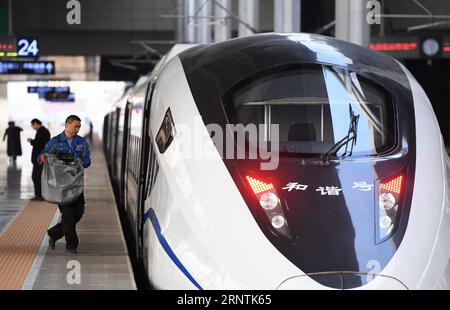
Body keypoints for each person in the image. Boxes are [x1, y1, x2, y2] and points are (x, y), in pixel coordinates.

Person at [39, 115, 91, 254]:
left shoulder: (82, 142)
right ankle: (71, 245)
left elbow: (87, 162)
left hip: (76, 184)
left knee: (78, 213)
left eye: (79, 127)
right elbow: (42, 156)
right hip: (61, 186)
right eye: (76, 126)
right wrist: (43, 158)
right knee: (68, 215)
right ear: (67, 125)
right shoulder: (55, 142)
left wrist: (79, 161)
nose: (78, 129)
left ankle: (54, 233)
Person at [27, 119, 51, 201]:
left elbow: (38, 144)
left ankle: (39, 195)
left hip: (40, 159)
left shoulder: (42, 131)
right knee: (40, 177)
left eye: (32, 125)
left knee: (36, 177)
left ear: (36, 124)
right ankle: (41, 195)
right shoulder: (43, 131)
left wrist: (31, 141)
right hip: (41, 158)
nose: (32, 127)